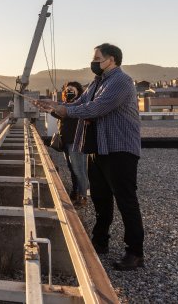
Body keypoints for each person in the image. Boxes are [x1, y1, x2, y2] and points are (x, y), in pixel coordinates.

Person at [34, 43, 144, 271]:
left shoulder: (121, 82)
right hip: (99, 148)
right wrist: (53, 107)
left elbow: (96, 108)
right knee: (101, 198)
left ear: (111, 60)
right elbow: (79, 104)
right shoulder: (98, 82)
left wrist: (64, 110)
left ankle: (135, 252)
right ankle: (100, 241)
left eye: (97, 58)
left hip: (120, 149)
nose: (93, 62)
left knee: (126, 201)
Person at [53, 82, 88, 207]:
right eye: (67, 90)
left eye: (72, 90)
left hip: (76, 142)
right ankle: (76, 192)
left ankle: (83, 196)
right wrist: (46, 106)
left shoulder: (80, 105)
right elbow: (56, 113)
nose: (69, 91)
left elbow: (66, 113)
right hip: (67, 142)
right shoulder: (66, 105)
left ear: (78, 92)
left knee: (79, 170)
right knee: (73, 169)